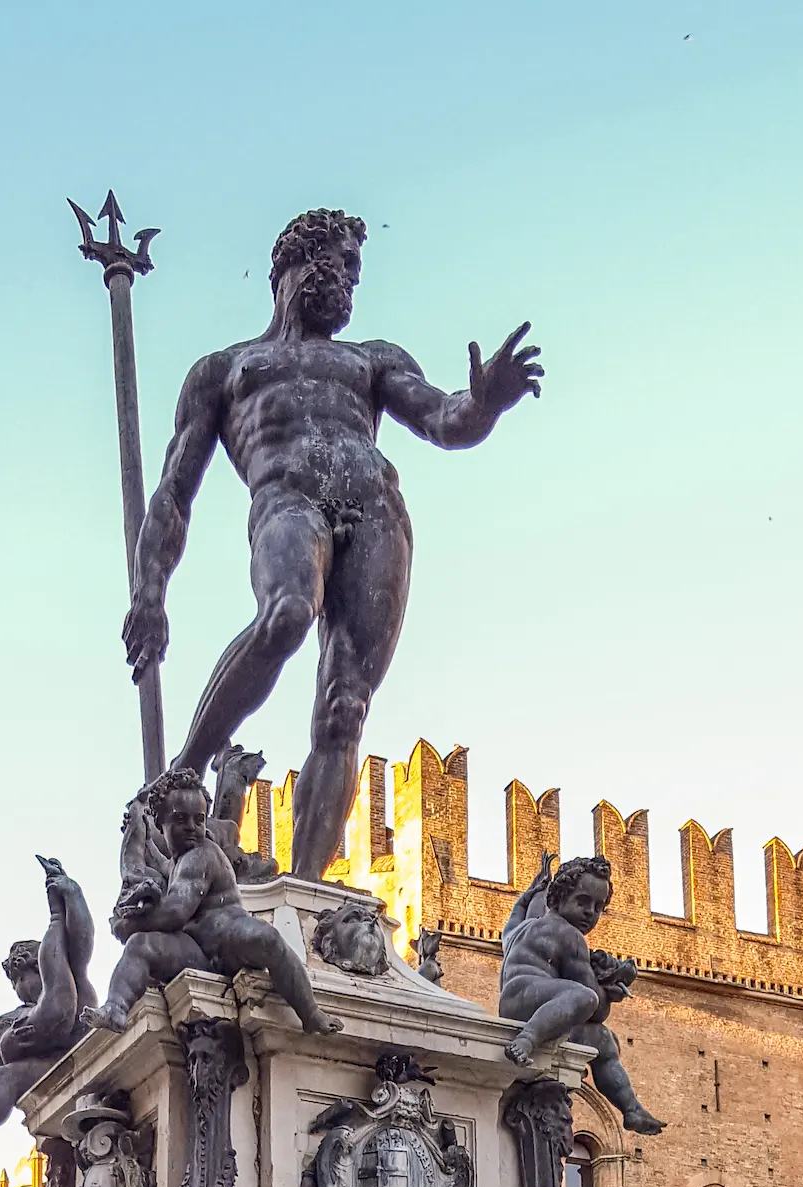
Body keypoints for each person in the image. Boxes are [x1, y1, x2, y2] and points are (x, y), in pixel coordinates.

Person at [122, 207, 542, 881]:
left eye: (354, 269)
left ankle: (308, 892)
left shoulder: (371, 360)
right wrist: (150, 593)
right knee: (287, 609)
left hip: (377, 510)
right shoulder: (226, 370)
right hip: (286, 501)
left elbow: (443, 419)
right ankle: (182, 774)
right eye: (339, 261)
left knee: (346, 702)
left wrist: (485, 404)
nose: (347, 279)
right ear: (293, 262)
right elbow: (173, 493)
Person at [90, 767, 341, 1039]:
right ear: (161, 821)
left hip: (230, 939)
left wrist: (130, 923)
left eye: (199, 819)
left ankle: (310, 1012)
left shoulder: (202, 855)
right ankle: (116, 1006)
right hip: (198, 952)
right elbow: (155, 864)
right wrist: (139, 831)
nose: (191, 827)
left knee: (269, 940)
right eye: (181, 819)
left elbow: (175, 912)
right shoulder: (177, 860)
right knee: (141, 946)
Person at [498, 852, 664, 1134]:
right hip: (527, 1001)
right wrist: (613, 987)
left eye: (598, 907)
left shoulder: (522, 928)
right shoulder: (571, 936)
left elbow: (511, 921)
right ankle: (527, 1040)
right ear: (559, 897)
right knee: (584, 997)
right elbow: (593, 1004)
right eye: (583, 901)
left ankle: (631, 1109)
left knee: (602, 1041)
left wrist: (530, 894)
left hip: (524, 1001)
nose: (590, 912)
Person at [0, 857, 95, 1155]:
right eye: (15, 981)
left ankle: (55, 916)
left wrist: (71, 894)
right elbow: (4, 1057)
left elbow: (82, 937)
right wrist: (6, 1041)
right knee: (4, 1076)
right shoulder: (14, 1015)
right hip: (51, 1068)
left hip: (80, 1055)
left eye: (26, 976)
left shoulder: (72, 978)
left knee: (63, 972)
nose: (20, 986)